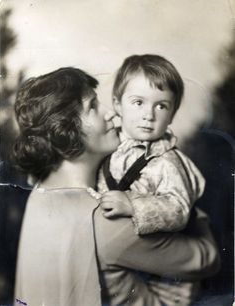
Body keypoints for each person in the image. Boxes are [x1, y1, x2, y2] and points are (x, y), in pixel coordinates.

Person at [13, 67, 219, 306]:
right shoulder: (106, 218)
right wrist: (197, 214)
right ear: (65, 130)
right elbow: (207, 258)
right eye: (92, 106)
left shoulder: (40, 193)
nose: (110, 113)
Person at [98, 54, 205, 235]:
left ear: (172, 114)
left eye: (161, 106)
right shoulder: (105, 143)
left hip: (144, 250)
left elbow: (179, 209)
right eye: (138, 102)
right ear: (117, 105)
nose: (149, 115)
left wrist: (132, 206)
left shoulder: (167, 160)